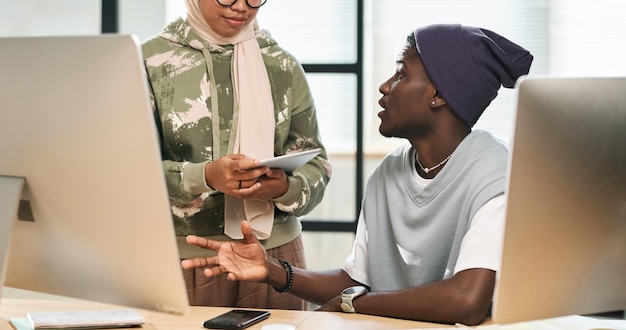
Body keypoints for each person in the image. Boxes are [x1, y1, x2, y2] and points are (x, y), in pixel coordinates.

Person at [180, 24, 533, 325]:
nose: (384, 86)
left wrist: (354, 304)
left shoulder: (494, 172)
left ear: (438, 94)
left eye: (401, 73)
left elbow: (467, 300)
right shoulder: (390, 172)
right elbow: (354, 280)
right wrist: (273, 271)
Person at [141, 0, 331, 310]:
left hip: (275, 260)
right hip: (182, 258)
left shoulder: (282, 65)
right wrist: (206, 176)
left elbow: (318, 167)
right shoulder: (152, 62)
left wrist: (282, 188)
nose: (242, 5)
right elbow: (126, 172)